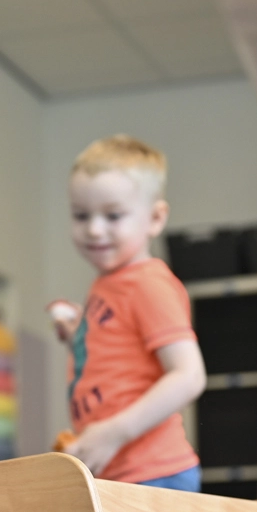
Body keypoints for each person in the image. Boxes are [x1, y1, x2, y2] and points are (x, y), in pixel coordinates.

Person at [49, 135, 207, 490]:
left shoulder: (147, 284)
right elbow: (119, 358)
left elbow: (189, 375)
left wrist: (113, 433)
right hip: (120, 472)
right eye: (81, 215)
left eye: (113, 215)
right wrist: (78, 337)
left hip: (154, 471)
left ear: (155, 218)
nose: (94, 229)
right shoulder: (107, 284)